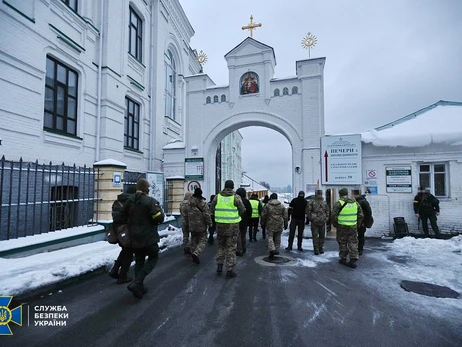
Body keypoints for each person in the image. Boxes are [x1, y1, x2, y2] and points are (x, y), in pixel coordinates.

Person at [115, 178, 165, 299]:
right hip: (149, 237)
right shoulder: (150, 201)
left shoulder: (129, 201)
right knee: (153, 257)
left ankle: (139, 288)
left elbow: (119, 217)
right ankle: (138, 281)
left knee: (139, 260)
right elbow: (158, 218)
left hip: (134, 237)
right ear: (146, 188)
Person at [210, 180, 246, 279]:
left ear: (225, 186)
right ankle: (229, 270)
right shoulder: (236, 197)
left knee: (221, 246)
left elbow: (211, 209)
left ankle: (219, 265)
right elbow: (243, 210)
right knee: (231, 248)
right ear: (233, 187)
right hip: (232, 227)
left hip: (220, 226)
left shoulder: (218, 197)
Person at [109, 185, 136, 284]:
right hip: (126, 229)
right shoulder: (130, 202)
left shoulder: (117, 201)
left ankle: (115, 270)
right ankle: (123, 276)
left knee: (125, 250)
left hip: (117, 229)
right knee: (128, 252)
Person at [332, 188, 363, 269]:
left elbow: (333, 216)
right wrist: (357, 224)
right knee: (353, 242)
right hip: (353, 226)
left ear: (340, 194)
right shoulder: (355, 203)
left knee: (342, 242)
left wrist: (335, 225)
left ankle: (343, 258)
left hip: (342, 226)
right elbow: (360, 215)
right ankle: (353, 259)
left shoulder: (339, 203)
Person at [183, 188, 212, 264]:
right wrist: (210, 224)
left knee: (193, 240)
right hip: (201, 226)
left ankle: (193, 253)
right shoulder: (203, 204)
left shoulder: (188, 203)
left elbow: (185, 215)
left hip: (192, 225)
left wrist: (187, 223)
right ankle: (196, 253)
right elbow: (207, 215)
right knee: (203, 239)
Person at [261, 193, 288, 259]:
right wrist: (286, 224)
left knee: (270, 236)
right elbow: (285, 216)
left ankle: (272, 249)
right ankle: (277, 250)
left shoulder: (267, 205)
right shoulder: (281, 206)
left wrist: (262, 222)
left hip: (270, 222)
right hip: (279, 222)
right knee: (278, 237)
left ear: (271, 198)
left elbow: (263, 215)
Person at [306, 190, 330, 255]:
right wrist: (311, 218)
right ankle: (316, 249)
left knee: (322, 236)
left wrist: (326, 218)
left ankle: (321, 248)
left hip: (322, 222)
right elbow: (308, 211)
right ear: (316, 194)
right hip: (315, 222)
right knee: (315, 236)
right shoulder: (312, 202)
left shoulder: (324, 202)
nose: (320, 195)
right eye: (318, 194)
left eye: (320, 194)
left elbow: (327, 211)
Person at [353, 189, 372, 255]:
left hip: (362, 222)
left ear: (357, 194)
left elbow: (368, 213)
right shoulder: (359, 201)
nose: (353, 196)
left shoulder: (363, 202)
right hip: (358, 221)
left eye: (354, 194)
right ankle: (357, 249)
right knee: (358, 236)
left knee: (361, 236)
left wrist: (365, 222)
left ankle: (360, 249)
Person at [235, 187, 252, 257]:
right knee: (243, 235)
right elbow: (250, 211)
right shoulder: (246, 201)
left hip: (236, 220)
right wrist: (248, 218)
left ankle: (239, 249)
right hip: (244, 221)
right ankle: (244, 247)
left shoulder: (235, 200)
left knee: (238, 235)